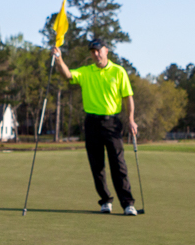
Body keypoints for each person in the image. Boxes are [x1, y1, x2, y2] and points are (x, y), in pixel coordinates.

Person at [54, 36, 139, 216]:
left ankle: (127, 203)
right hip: (92, 123)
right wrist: (59, 59)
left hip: (112, 122)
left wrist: (131, 119)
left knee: (118, 164)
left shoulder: (118, 71)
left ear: (106, 50)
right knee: (96, 165)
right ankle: (105, 201)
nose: (96, 54)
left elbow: (128, 97)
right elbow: (68, 75)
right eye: (93, 51)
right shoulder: (86, 72)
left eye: (98, 50)